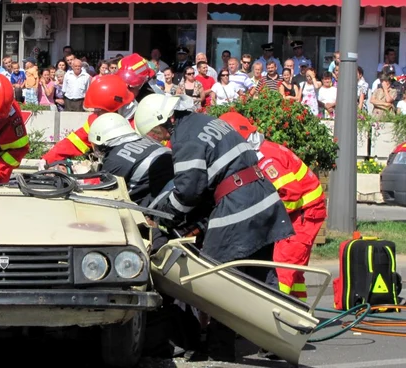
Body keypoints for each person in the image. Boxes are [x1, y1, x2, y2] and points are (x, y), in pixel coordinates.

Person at [134, 93, 294, 363]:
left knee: (217, 278)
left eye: (156, 131)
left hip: (239, 206)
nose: (159, 138)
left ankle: (220, 351)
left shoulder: (185, 137)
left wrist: (162, 217)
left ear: (163, 121)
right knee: (260, 274)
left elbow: (188, 190)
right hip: (263, 199)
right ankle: (283, 339)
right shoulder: (207, 122)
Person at [221, 112, 326, 302]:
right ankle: (298, 312)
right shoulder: (262, 153)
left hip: (303, 214)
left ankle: (275, 311)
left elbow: (291, 195)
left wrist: (266, 219)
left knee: (282, 267)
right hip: (302, 212)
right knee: (295, 271)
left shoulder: (266, 159)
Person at [38, 74, 135, 167]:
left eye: (99, 109)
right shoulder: (96, 121)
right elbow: (75, 142)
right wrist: (47, 158)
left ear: (114, 107)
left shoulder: (136, 125)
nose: (95, 113)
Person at [88, 113, 172, 207]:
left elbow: (107, 195)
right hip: (178, 188)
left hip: (161, 205)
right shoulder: (146, 139)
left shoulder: (115, 159)